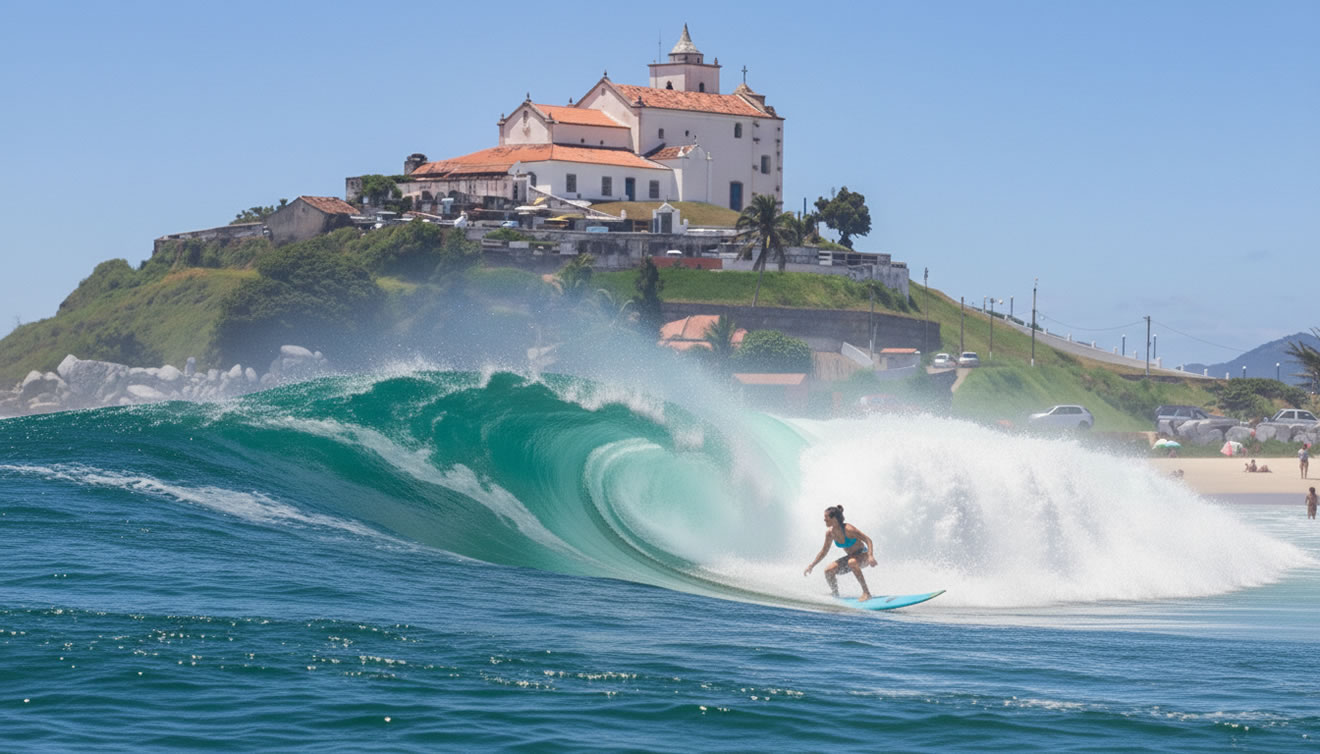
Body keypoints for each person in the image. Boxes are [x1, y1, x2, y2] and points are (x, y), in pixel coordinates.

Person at [803, 505, 878, 601]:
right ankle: (835, 594)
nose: (824, 520)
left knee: (852, 562)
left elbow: (868, 540)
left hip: (864, 555)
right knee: (828, 571)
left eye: (826, 518)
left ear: (833, 518)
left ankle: (866, 593)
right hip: (851, 557)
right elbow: (824, 551)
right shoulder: (830, 533)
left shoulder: (849, 529)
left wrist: (871, 556)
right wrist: (812, 565)